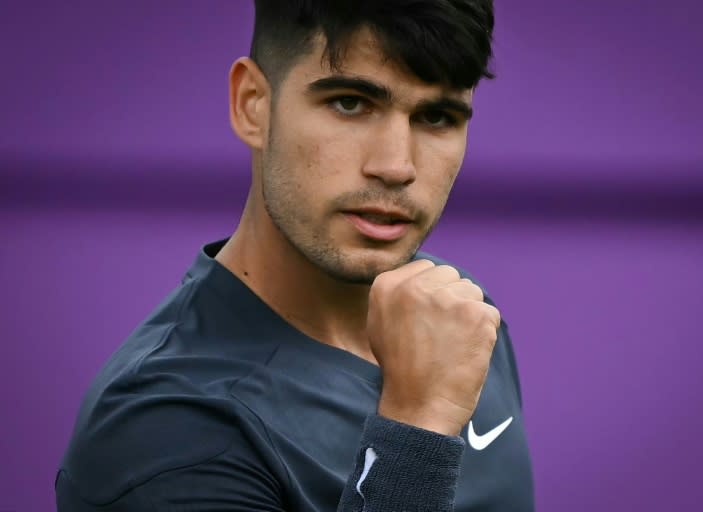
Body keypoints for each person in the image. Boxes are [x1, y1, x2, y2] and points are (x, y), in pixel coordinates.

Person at [56, 1, 534, 510]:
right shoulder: (164, 430)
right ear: (252, 104)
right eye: (350, 103)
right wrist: (417, 425)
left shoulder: (459, 312)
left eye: (437, 116)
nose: (396, 166)